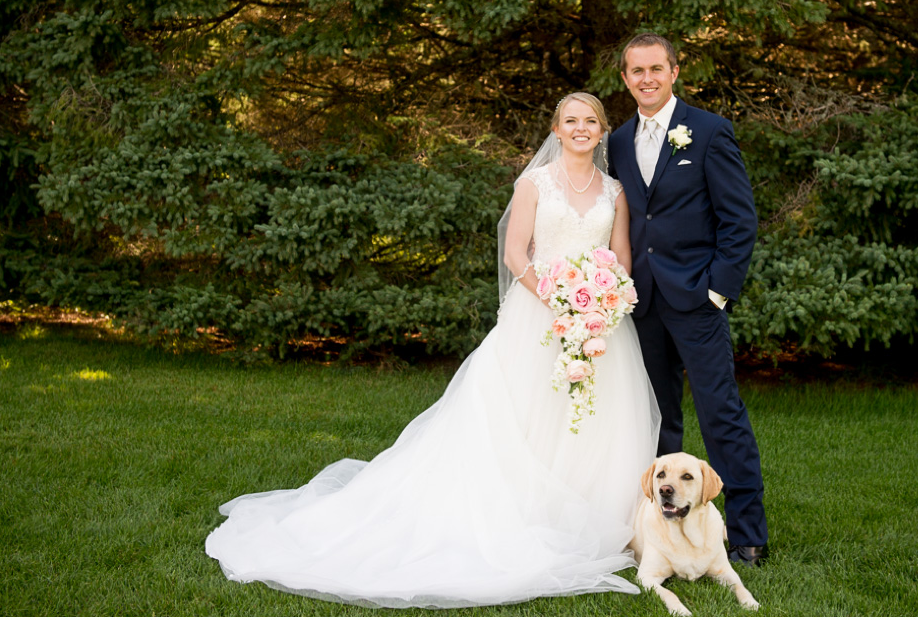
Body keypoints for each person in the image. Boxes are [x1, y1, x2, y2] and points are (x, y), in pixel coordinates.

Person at [205, 93, 660, 609]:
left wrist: (602, 298)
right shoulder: (534, 183)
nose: (581, 129)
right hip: (539, 314)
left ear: (602, 131)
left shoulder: (616, 191)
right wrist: (558, 301)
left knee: (597, 421)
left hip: (599, 321)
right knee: (528, 415)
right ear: (556, 129)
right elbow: (516, 253)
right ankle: (529, 515)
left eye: (591, 122)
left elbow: (619, 254)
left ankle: (596, 521)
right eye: (571, 121)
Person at [606, 33, 768, 566]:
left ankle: (746, 533)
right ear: (625, 78)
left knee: (720, 413)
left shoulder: (708, 131)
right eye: (636, 71)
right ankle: (660, 531)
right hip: (643, 301)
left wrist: (718, 290)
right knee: (657, 420)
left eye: (656, 68)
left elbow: (739, 220)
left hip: (698, 300)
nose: (646, 78)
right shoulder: (619, 141)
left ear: (674, 71)